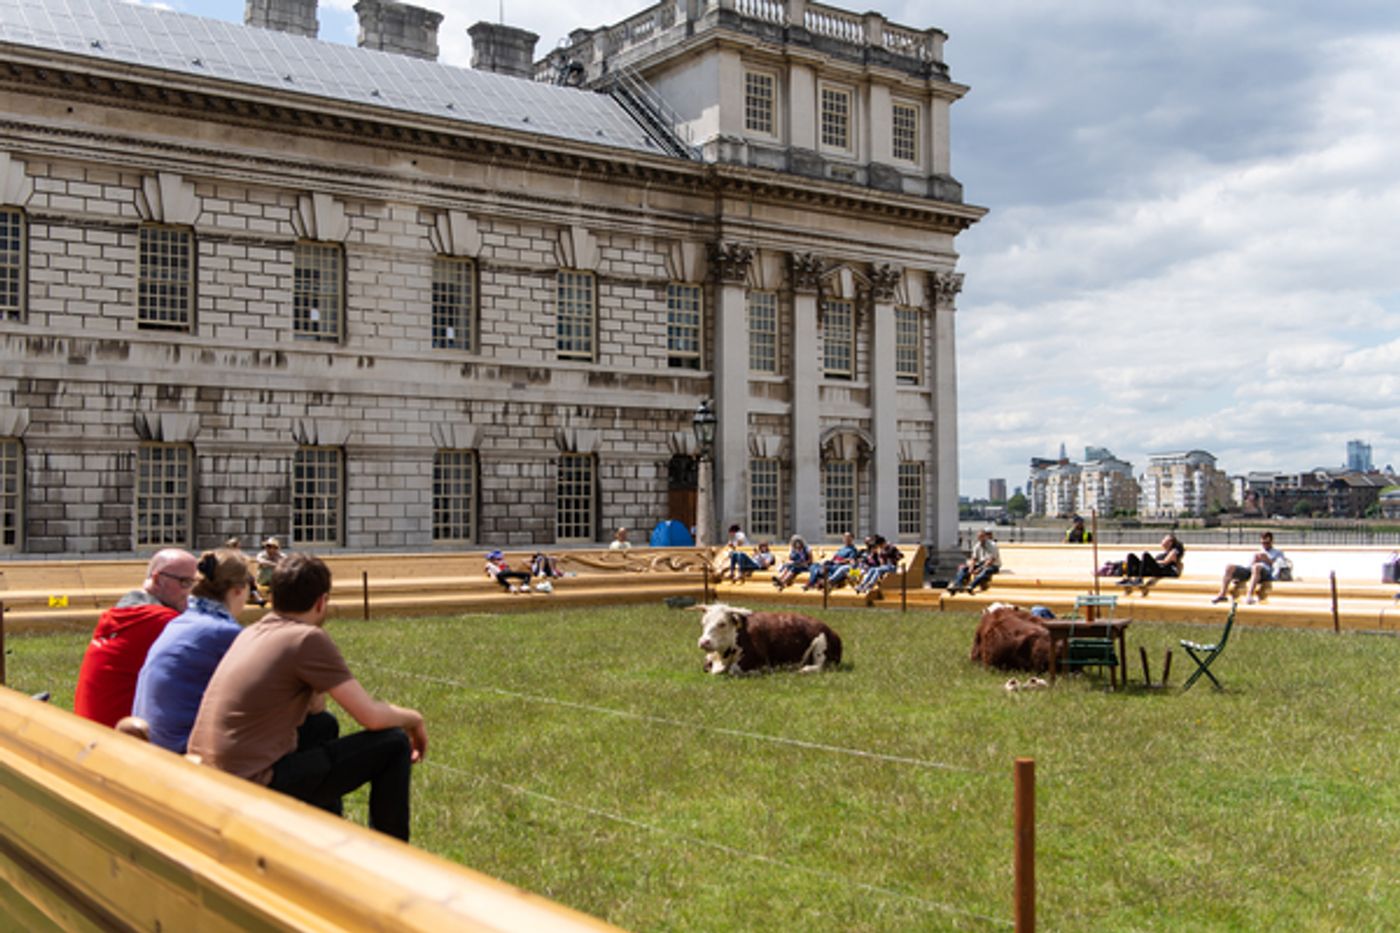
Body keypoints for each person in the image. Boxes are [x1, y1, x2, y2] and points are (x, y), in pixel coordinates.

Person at [187, 553, 427, 841]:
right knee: (393, 744)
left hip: (210, 778)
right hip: (251, 786)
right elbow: (371, 717)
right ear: (321, 601)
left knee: (322, 725)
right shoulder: (306, 638)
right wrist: (414, 718)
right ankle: (392, 857)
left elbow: (314, 709)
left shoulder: (251, 632)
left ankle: (322, 838)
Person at [132, 549, 252, 753]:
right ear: (239, 589)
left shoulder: (180, 622)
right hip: (183, 753)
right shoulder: (225, 632)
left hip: (154, 745)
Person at [74, 548, 197, 728]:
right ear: (157, 579)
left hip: (89, 732)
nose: (190, 592)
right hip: (121, 741)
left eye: (193, 583)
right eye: (184, 582)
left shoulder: (116, 615)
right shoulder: (163, 622)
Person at [1212, 532, 1286, 604]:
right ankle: (1222, 594)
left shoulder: (1278, 553)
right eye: (1263, 543)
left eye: (1267, 543)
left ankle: (1249, 595)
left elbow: (1279, 567)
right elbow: (1248, 566)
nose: (1265, 545)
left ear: (1272, 541)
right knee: (1229, 567)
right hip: (1252, 571)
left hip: (1266, 572)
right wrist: (1254, 561)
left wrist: (1267, 560)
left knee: (1256, 567)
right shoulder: (1258, 552)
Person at [947, 528, 1001, 594]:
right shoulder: (977, 546)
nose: (981, 539)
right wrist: (971, 567)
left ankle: (971, 585)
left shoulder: (992, 545)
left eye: (982, 536)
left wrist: (980, 569)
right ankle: (958, 584)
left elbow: (991, 560)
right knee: (964, 568)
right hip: (981, 563)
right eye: (979, 537)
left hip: (993, 565)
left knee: (986, 570)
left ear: (985, 536)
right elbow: (974, 558)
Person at [1119, 533, 1185, 585]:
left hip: (1163, 570)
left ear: (1170, 543)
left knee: (1146, 555)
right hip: (1155, 569)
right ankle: (1128, 578)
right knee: (1131, 556)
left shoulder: (1173, 552)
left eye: (1164, 539)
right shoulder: (1162, 554)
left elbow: (1165, 562)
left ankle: (1140, 579)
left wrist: (1153, 562)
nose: (1162, 540)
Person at [226, 536, 267, 607]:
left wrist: (256, 561)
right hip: (230, 574)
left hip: (240, 573)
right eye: (234, 546)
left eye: (236, 545)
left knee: (250, 579)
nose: (236, 547)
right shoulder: (227, 555)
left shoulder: (240, 554)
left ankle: (257, 598)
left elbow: (248, 559)